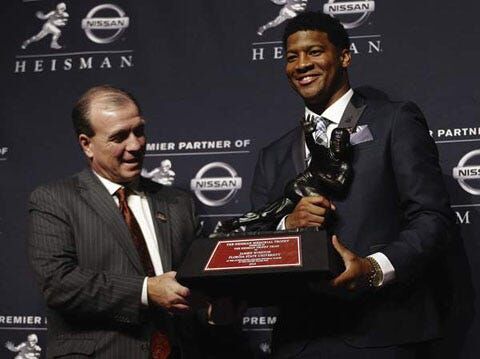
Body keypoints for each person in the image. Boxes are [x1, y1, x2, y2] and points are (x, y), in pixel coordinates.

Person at [250, 12, 456, 358]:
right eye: (291, 57)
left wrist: (373, 269)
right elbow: (253, 242)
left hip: (383, 333)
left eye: (314, 52)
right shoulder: (272, 156)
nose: (302, 64)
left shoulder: (395, 121)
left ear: (344, 56)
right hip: (299, 342)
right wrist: (288, 225)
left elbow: (432, 217)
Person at [28, 85, 231, 359]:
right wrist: (146, 290)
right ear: (87, 144)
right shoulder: (54, 200)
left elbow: (194, 287)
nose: (135, 145)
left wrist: (211, 312)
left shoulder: (178, 203)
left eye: (139, 131)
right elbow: (58, 284)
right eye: (119, 137)